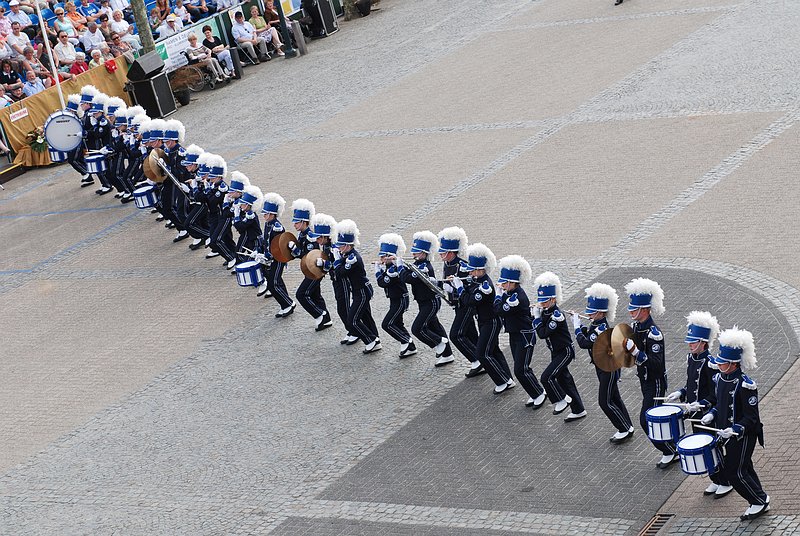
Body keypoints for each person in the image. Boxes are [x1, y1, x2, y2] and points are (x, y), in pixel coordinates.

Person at [699, 327, 769, 521]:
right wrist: (712, 414)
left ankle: (758, 501)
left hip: (744, 435)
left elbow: (751, 418)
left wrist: (735, 429)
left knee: (734, 472)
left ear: (734, 364)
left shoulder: (746, 385)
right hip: (726, 432)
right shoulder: (719, 378)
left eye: (723, 363)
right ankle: (761, 496)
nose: (719, 365)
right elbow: (720, 404)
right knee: (744, 467)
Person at [664, 311, 732, 497]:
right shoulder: (691, 359)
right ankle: (715, 479)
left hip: (708, 414)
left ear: (703, 343)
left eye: (694, 341)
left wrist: (701, 405)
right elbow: (690, 384)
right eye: (690, 341)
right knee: (703, 448)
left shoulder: (710, 363)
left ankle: (725, 480)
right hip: (695, 413)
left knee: (713, 447)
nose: (690, 344)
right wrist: (680, 393)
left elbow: (715, 395)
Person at [623, 277, 676, 468]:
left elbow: (656, 365)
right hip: (645, 380)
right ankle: (670, 447)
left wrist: (636, 352)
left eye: (634, 309)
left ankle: (670, 449)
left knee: (647, 419)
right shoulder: (638, 326)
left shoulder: (654, 333)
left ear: (645, 310)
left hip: (655, 381)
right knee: (654, 419)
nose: (630, 312)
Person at [574, 283, 635, 442]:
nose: (590, 315)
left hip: (609, 368)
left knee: (604, 401)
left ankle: (623, 428)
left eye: (592, 313)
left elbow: (585, 343)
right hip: (602, 366)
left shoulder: (601, 327)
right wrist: (582, 327)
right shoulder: (596, 323)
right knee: (614, 397)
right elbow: (589, 335)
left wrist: (576, 328)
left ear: (601, 313)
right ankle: (628, 425)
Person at [450, 243, 513, 390]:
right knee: (494, 350)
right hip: (484, 321)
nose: (470, 273)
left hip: (491, 322)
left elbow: (469, 301)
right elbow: (470, 290)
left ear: (480, 270)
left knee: (482, 353)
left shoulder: (485, 286)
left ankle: (502, 381)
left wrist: (459, 288)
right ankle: (508, 378)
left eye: (472, 270)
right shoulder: (477, 280)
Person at [494, 255, 546, 408]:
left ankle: (539, 393)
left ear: (512, 282)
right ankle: (535, 392)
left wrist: (498, 296)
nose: (502, 285)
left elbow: (498, 310)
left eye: (505, 283)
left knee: (520, 369)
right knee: (520, 367)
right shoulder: (510, 294)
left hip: (524, 336)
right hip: (515, 333)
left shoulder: (516, 298)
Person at [533, 271, 586, 421]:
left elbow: (543, 333)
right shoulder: (546, 311)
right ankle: (578, 409)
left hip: (564, 351)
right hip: (555, 351)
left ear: (553, 299)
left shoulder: (557, 315)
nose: (542, 304)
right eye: (541, 301)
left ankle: (561, 400)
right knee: (565, 380)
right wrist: (536, 314)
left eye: (545, 301)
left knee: (547, 377)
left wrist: (536, 319)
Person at [399, 231, 453, 364]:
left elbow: (407, 278)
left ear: (424, 253)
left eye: (417, 252)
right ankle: (447, 354)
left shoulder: (423, 267)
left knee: (417, 328)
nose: (414, 254)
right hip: (423, 301)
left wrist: (400, 267)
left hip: (430, 302)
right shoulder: (418, 264)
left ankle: (440, 342)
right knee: (435, 326)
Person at [332, 219, 381, 354]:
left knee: (352, 319)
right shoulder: (347, 255)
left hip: (362, 291)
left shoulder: (352, 258)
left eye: (341, 246)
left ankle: (371, 340)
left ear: (348, 245)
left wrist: (337, 261)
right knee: (365, 316)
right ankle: (375, 338)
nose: (339, 248)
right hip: (359, 290)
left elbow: (341, 272)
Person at [438, 226, 481, 376]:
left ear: (451, 252)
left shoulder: (463, 266)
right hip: (457, 304)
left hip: (466, 304)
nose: (441, 255)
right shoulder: (447, 264)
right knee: (471, 334)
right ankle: (484, 358)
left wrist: (454, 288)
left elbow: (470, 287)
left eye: (444, 252)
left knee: (456, 335)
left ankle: (477, 360)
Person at [289, 199, 333, 331]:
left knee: (301, 294)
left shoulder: (310, 237)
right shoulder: (302, 234)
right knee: (315, 295)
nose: (295, 225)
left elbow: (310, 257)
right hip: (310, 270)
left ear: (304, 222)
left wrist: (297, 252)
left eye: (297, 222)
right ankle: (327, 320)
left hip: (315, 271)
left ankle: (320, 314)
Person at [374, 233, 415, 358]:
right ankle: (409, 346)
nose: (381, 259)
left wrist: (377, 272)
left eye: (383, 257)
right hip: (395, 298)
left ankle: (407, 342)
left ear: (389, 257)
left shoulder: (393, 268)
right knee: (397, 323)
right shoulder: (390, 266)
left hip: (400, 299)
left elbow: (382, 282)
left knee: (387, 324)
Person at [258, 192, 295, 317]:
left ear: (272, 214)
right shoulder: (269, 224)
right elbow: (266, 241)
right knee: (276, 281)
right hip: (270, 257)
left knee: (272, 284)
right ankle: (286, 302)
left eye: (266, 213)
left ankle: (288, 304)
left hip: (278, 258)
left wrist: (269, 256)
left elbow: (278, 247)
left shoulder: (277, 227)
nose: (264, 215)